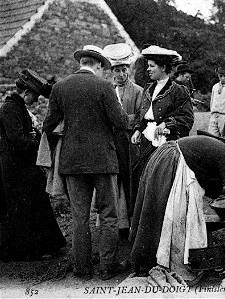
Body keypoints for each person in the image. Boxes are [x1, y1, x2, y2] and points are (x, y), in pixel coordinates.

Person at [129, 132, 225, 284]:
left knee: (157, 211)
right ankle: (168, 266)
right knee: (172, 217)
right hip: (173, 161)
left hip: (166, 155)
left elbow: (209, 177)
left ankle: (148, 263)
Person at [43, 45, 129, 280]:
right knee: (109, 215)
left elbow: (48, 124)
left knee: (79, 217)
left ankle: (82, 268)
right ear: (99, 64)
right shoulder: (105, 86)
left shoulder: (60, 87)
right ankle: (106, 267)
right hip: (103, 160)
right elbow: (120, 122)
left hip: (72, 163)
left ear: (82, 61)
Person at [0, 69, 66, 262]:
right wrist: (37, 142)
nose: (35, 101)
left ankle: (42, 246)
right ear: (26, 92)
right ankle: (26, 251)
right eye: (35, 96)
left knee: (34, 201)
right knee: (23, 205)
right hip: (14, 166)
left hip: (21, 163)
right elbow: (17, 140)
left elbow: (25, 135)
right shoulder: (10, 108)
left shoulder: (17, 106)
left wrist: (32, 136)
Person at [130, 45, 194, 204]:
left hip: (168, 144)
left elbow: (187, 118)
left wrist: (166, 124)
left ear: (163, 67)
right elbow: (141, 113)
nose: (148, 70)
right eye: (148, 66)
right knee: (144, 178)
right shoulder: (148, 88)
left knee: (163, 181)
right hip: (146, 141)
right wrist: (138, 129)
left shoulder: (179, 90)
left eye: (152, 66)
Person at [103, 43, 144, 231]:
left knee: (131, 180)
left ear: (128, 70)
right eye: (117, 70)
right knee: (114, 182)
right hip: (113, 141)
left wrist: (121, 120)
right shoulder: (109, 90)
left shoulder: (137, 90)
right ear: (112, 72)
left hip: (130, 141)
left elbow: (140, 116)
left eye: (123, 70)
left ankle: (132, 220)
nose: (120, 74)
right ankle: (119, 222)